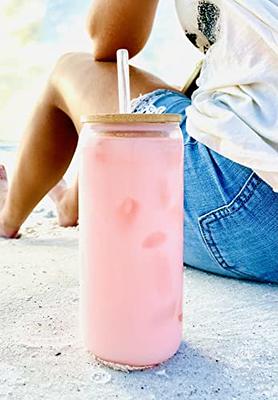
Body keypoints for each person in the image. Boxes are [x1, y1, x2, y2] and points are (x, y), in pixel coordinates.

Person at [0, 0, 277, 283]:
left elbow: (109, 39)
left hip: (249, 211)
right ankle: (74, 202)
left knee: (68, 71)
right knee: (182, 104)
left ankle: (8, 216)